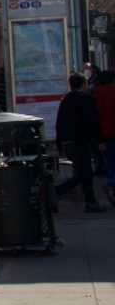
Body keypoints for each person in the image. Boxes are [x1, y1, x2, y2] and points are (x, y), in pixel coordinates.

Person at [54, 72, 106, 212]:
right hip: (80, 140)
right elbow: (93, 121)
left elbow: (59, 123)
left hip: (67, 141)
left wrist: (59, 143)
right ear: (84, 84)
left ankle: (90, 201)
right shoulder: (86, 99)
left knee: (83, 172)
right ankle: (56, 192)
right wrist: (99, 140)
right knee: (84, 173)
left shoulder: (65, 99)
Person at [91, 69, 115, 206]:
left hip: (102, 136)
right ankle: (112, 186)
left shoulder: (93, 94)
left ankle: (112, 185)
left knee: (111, 163)